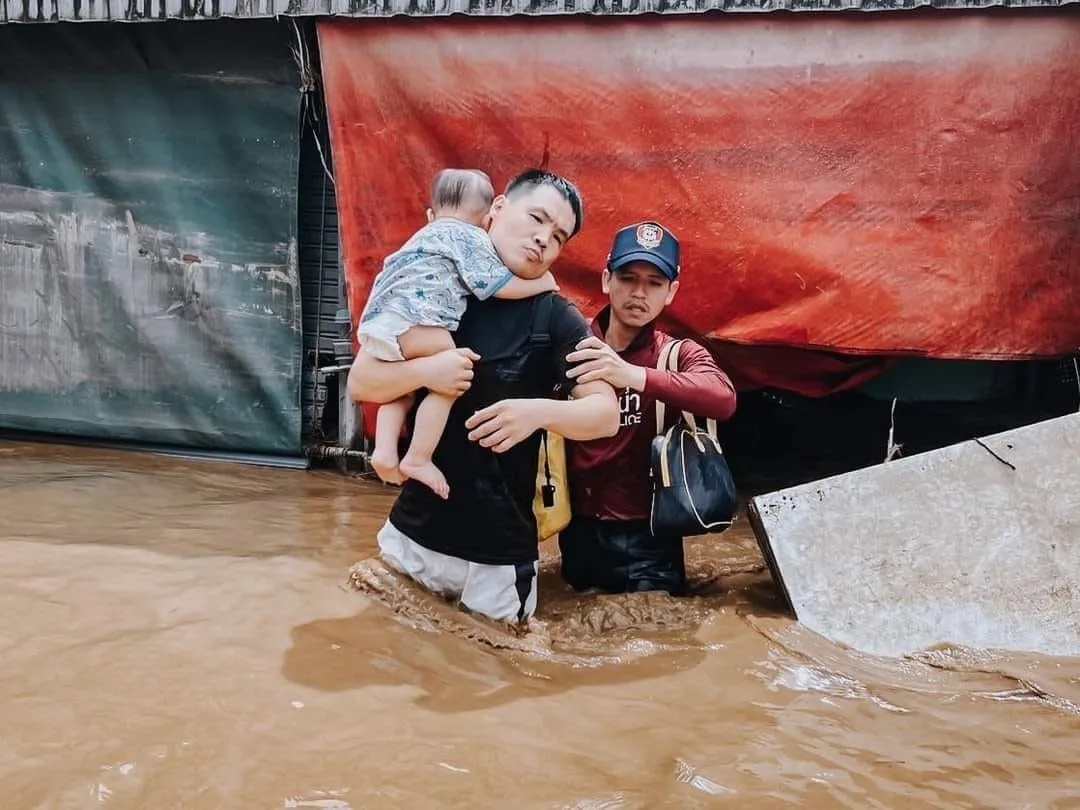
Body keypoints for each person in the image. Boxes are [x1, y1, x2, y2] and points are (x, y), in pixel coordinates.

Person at [348, 168, 620, 625]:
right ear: (497, 208)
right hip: (410, 536)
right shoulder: (438, 285)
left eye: (558, 237)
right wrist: (428, 370)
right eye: (536, 218)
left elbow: (605, 414)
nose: (542, 240)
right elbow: (363, 383)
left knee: (496, 676)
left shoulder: (554, 317)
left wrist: (534, 413)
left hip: (496, 558)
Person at [357, 168, 560, 499]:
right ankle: (418, 457)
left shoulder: (422, 236)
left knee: (403, 389)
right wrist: (543, 283)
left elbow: (362, 382)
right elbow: (494, 287)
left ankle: (383, 450)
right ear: (486, 217)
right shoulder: (470, 238)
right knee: (451, 376)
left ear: (430, 214)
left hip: (382, 323)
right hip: (418, 322)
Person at [559, 220, 738, 596]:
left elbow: (723, 397)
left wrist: (633, 375)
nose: (639, 293)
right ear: (607, 280)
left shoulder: (676, 354)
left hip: (650, 543)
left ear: (671, 292)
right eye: (628, 278)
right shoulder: (570, 345)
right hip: (574, 533)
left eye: (654, 283)